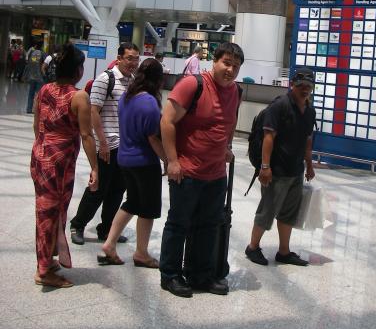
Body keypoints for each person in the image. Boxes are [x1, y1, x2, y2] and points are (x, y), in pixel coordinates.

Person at [159, 42, 244, 297]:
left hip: (216, 174)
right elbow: (167, 121)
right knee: (179, 224)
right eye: (226, 63)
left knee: (208, 226)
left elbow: (229, 122)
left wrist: (226, 146)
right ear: (214, 61)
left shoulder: (236, 91)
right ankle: (170, 275)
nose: (230, 70)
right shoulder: (192, 85)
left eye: (236, 66)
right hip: (187, 171)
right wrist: (172, 161)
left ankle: (200, 275)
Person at [30, 43, 98, 288]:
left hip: (41, 156)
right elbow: (86, 135)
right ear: (78, 70)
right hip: (59, 163)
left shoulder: (44, 90)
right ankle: (43, 270)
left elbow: (36, 124)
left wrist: (44, 148)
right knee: (49, 214)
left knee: (51, 211)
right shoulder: (79, 96)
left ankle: (48, 259)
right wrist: (95, 168)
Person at [245, 68, 316, 267]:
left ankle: (284, 251)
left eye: (308, 86)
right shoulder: (280, 106)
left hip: (296, 171)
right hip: (276, 171)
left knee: (288, 213)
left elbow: (307, 140)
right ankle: (252, 247)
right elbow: (269, 137)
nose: (304, 89)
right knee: (267, 211)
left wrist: (309, 165)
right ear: (292, 84)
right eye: (301, 85)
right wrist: (265, 167)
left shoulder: (309, 110)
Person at [98, 58, 166, 268]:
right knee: (148, 208)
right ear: (158, 80)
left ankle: (109, 244)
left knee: (133, 202)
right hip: (144, 162)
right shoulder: (149, 102)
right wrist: (168, 160)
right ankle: (141, 253)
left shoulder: (126, 97)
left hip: (124, 159)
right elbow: (153, 138)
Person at [70, 42, 139, 245]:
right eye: (129, 58)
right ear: (119, 58)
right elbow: (93, 111)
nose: (133, 63)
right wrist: (103, 142)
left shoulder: (134, 81)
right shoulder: (105, 79)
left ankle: (106, 229)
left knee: (117, 190)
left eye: (136, 59)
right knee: (98, 188)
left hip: (125, 147)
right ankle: (77, 224)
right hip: (108, 144)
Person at [25, 41, 45, 113]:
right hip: (39, 77)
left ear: (36, 46)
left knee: (31, 93)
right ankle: (34, 109)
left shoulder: (32, 53)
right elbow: (44, 65)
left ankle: (29, 109)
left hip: (31, 76)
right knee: (38, 94)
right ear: (41, 46)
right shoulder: (42, 53)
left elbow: (28, 62)